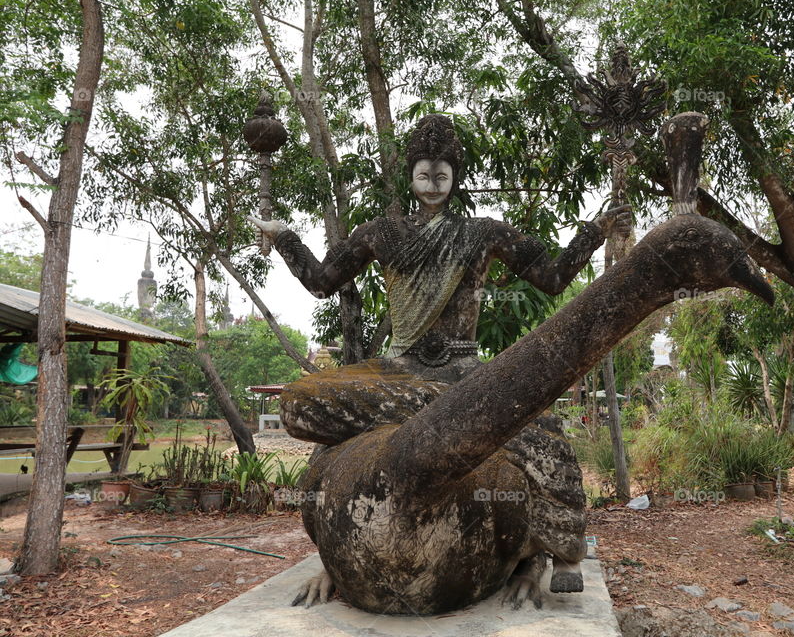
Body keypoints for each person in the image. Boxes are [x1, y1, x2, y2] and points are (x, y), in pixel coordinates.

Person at [250, 113, 629, 604]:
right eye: (424, 173)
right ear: (410, 175)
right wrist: (284, 237)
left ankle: (554, 552)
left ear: (456, 175)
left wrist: (595, 230)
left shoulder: (481, 233)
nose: (432, 183)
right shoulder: (379, 233)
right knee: (301, 402)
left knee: (541, 425)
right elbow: (323, 283)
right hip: (397, 371)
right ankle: (334, 552)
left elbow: (553, 277)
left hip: (464, 374)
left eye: (442, 173)